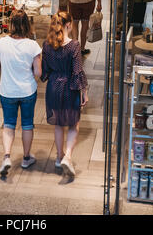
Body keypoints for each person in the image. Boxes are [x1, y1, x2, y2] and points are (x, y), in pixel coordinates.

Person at [0, 10, 42, 177]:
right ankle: (26, 158)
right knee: (27, 124)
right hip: (28, 90)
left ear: (11, 24)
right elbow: (38, 72)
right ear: (27, 25)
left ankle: (7, 157)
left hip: (7, 90)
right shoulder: (33, 46)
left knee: (8, 125)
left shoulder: (1, 44)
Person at [42, 11, 88, 179]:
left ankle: (58, 157)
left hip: (53, 86)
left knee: (59, 124)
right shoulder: (74, 45)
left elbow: (45, 71)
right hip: (70, 87)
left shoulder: (47, 45)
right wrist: (84, 91)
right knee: (74, 124)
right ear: (69, 24)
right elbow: (77, 71)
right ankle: (68, 156)